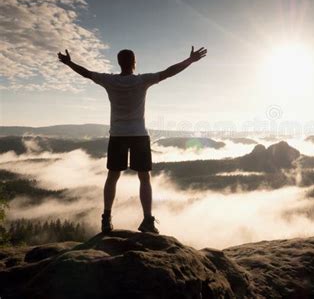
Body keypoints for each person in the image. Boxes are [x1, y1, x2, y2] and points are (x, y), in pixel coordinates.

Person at [57, 46, 207, 233]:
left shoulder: (109, 80)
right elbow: (169, 72)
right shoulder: (142, 80)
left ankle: (106, 218)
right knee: (144, 178)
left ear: (119, 63)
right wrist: (190, 61)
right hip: (139, 135)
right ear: (134, 63)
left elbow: (86, 73)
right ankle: (147, 220)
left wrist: (69, 62)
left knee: (112, 177)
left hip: (117, 135)